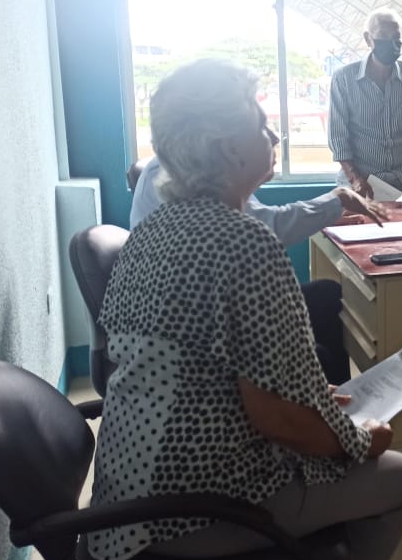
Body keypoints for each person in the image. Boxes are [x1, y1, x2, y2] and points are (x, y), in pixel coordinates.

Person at [93, 60, 402, 560]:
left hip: (126, 496)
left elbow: (222, 378)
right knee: (397, 478)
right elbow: (280, 420)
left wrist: (315, 405)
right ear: (225, 146)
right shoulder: (244, 243)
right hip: (189, 509)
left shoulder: (154, 232)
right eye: (261, 124)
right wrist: (361, 439)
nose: (275, 135)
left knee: (335, 465)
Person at [131, 154, 386, 386]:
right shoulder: (189, 182)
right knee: (315, 356)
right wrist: (334, 202)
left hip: (202, 315)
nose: (274, 137)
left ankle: (340, 405)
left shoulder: (198, 172)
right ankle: (330, 408)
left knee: (326, 295)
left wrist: (329, 210)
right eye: (260, 127)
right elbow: (262, 226)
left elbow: (258, 219)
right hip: (190, 340)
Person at [328, 9, 402, 195]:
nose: (390, 43)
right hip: (361, 183)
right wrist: (355, 179)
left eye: (396, 38)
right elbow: (338, 137)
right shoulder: (344, 80)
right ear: (368, 39)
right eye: (383, 36)